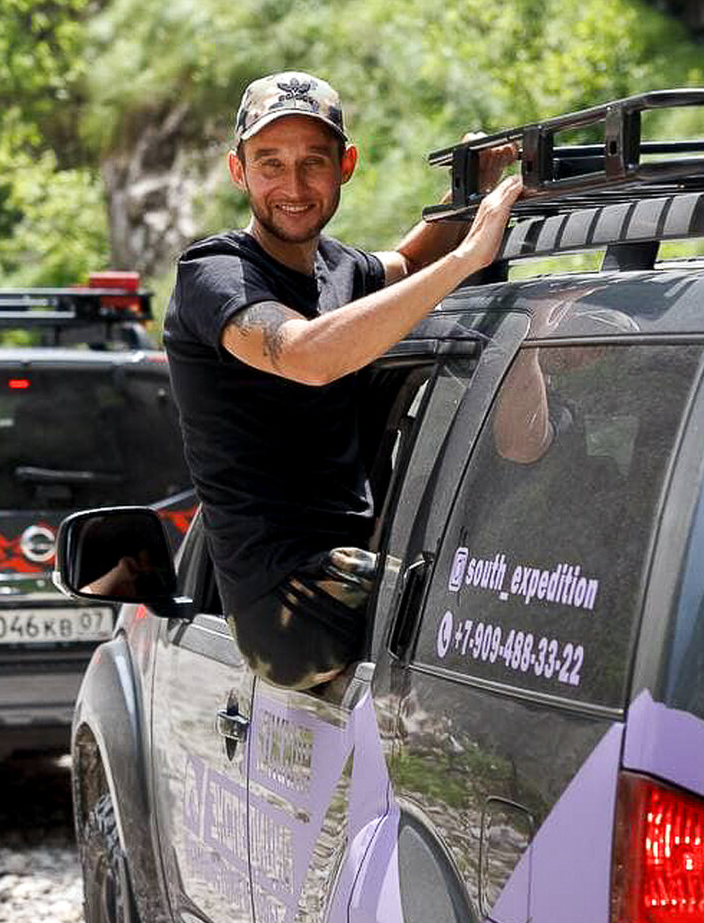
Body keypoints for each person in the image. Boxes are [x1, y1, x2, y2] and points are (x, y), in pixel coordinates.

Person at [163, 70, 521, 691]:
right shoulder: (213, 273)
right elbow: (307, 355)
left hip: (358, 554)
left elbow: (411, 262)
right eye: (271, 164)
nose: (294, 186)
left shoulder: (339, 269)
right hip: (286, 614)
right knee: (479, 597)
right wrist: (470, 259)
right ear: (238, 171)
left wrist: (469, 191)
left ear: (345, 166)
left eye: (314, 162)